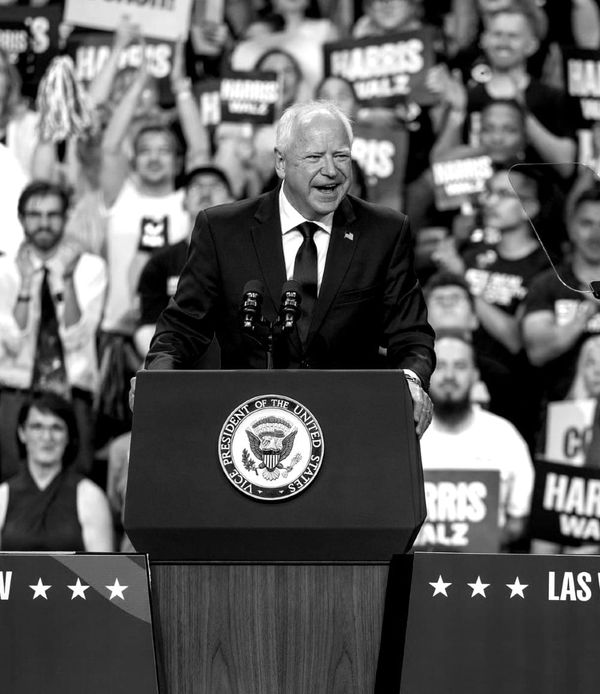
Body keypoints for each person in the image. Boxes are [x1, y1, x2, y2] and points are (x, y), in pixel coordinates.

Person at [137, 101, 435, 437]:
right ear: (280, 162)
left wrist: (410, 382)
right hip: (244, 427)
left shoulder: (384, 232)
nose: (331, 170)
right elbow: (183, 327)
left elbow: (411, 336)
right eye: (314, 157)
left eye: (340, 156)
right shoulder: (222, 230)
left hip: (348, 428)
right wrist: (158, 376)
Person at [0, 181, 107, 480]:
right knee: (10, 479)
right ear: (21, 219)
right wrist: (24, 286)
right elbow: (11, 340)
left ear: (65, 218)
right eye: (35, 214)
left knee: (78, 479)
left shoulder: (91, 268)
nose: (43, 223)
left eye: (52, 214)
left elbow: (77, 336)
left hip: (73, 391)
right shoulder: (3, 270)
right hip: (15, 391)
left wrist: (67, 280)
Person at [420, 330, 535, 548]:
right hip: (414, 570)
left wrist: (479, 542)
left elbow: (518, 521)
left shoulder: (504, 436)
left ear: (475, 374)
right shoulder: (407, 435)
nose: (450, 376)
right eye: (440, 366)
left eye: (460, 366)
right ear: (427, 373)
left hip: (486, 574)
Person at [0, 392, 113, 551]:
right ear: (22, 433)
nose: (47, 437)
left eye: (57, 428)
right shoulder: (2, 496)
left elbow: (105, 573)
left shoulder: (90, 496)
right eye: (37, 426)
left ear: (68, 436)